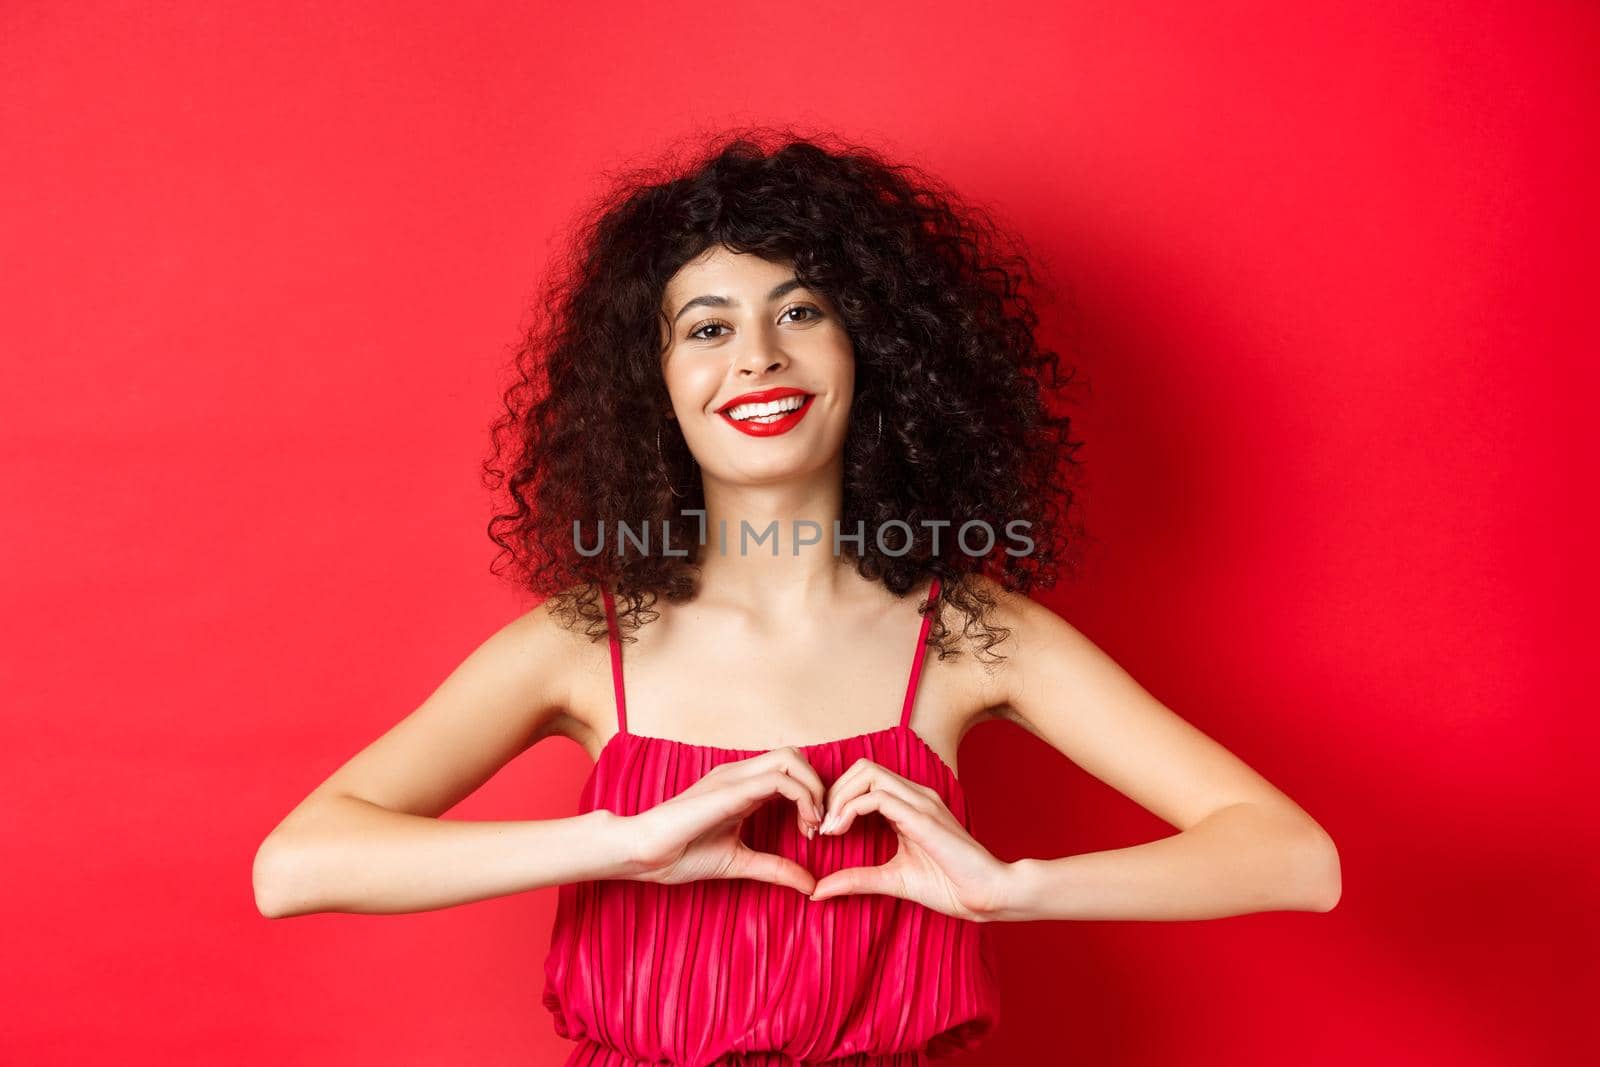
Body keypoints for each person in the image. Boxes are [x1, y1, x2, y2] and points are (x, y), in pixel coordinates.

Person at [252, 129, 1341, 1065]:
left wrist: (1009, 887)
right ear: (656, 383)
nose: (760, 359)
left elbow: (1294, 857)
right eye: (709, 327)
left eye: (801, 311)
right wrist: (616, 843)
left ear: (874, 352)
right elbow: (298, 864)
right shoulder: (585, 641)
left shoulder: (974, 632)